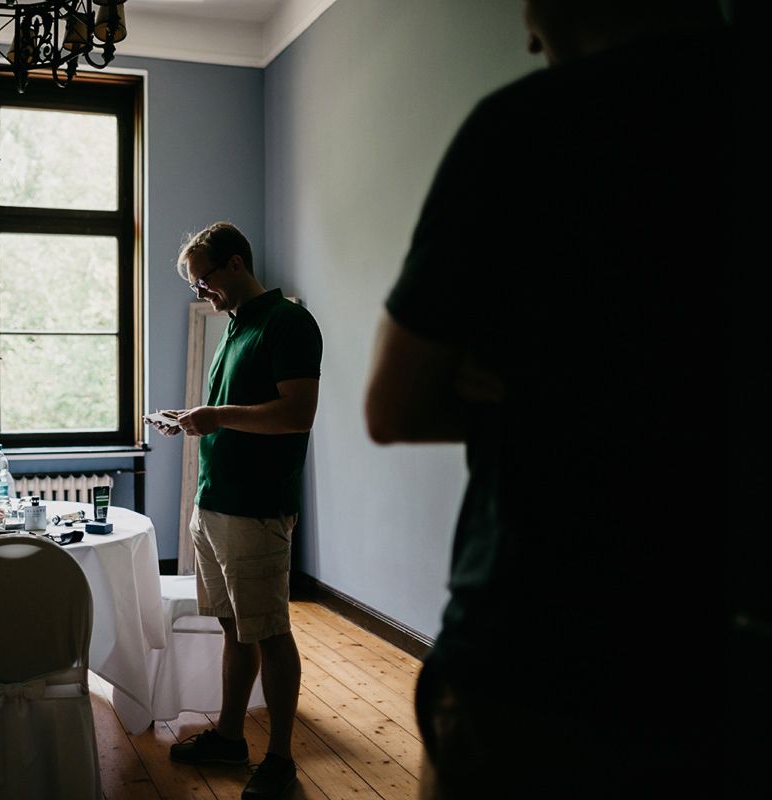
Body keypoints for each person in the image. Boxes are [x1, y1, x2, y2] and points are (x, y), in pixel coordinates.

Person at [363, 1, 734, 797]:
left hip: (543, 640)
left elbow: (391, 407)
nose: (525, 28)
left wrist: (541, 390)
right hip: (724, 643)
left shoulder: (526, 129)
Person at [149, 222, 322, 800]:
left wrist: (216, 417)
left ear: (237, 264)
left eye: (205, 280)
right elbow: (234, 409)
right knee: (233, 627)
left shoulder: (289, 323)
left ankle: (279, 759)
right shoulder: (235, 327)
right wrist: (195, 419)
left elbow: (296, 415)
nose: (203, 293)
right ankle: (228, 736)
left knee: (270, 631)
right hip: (215, 500)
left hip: (257, 507)